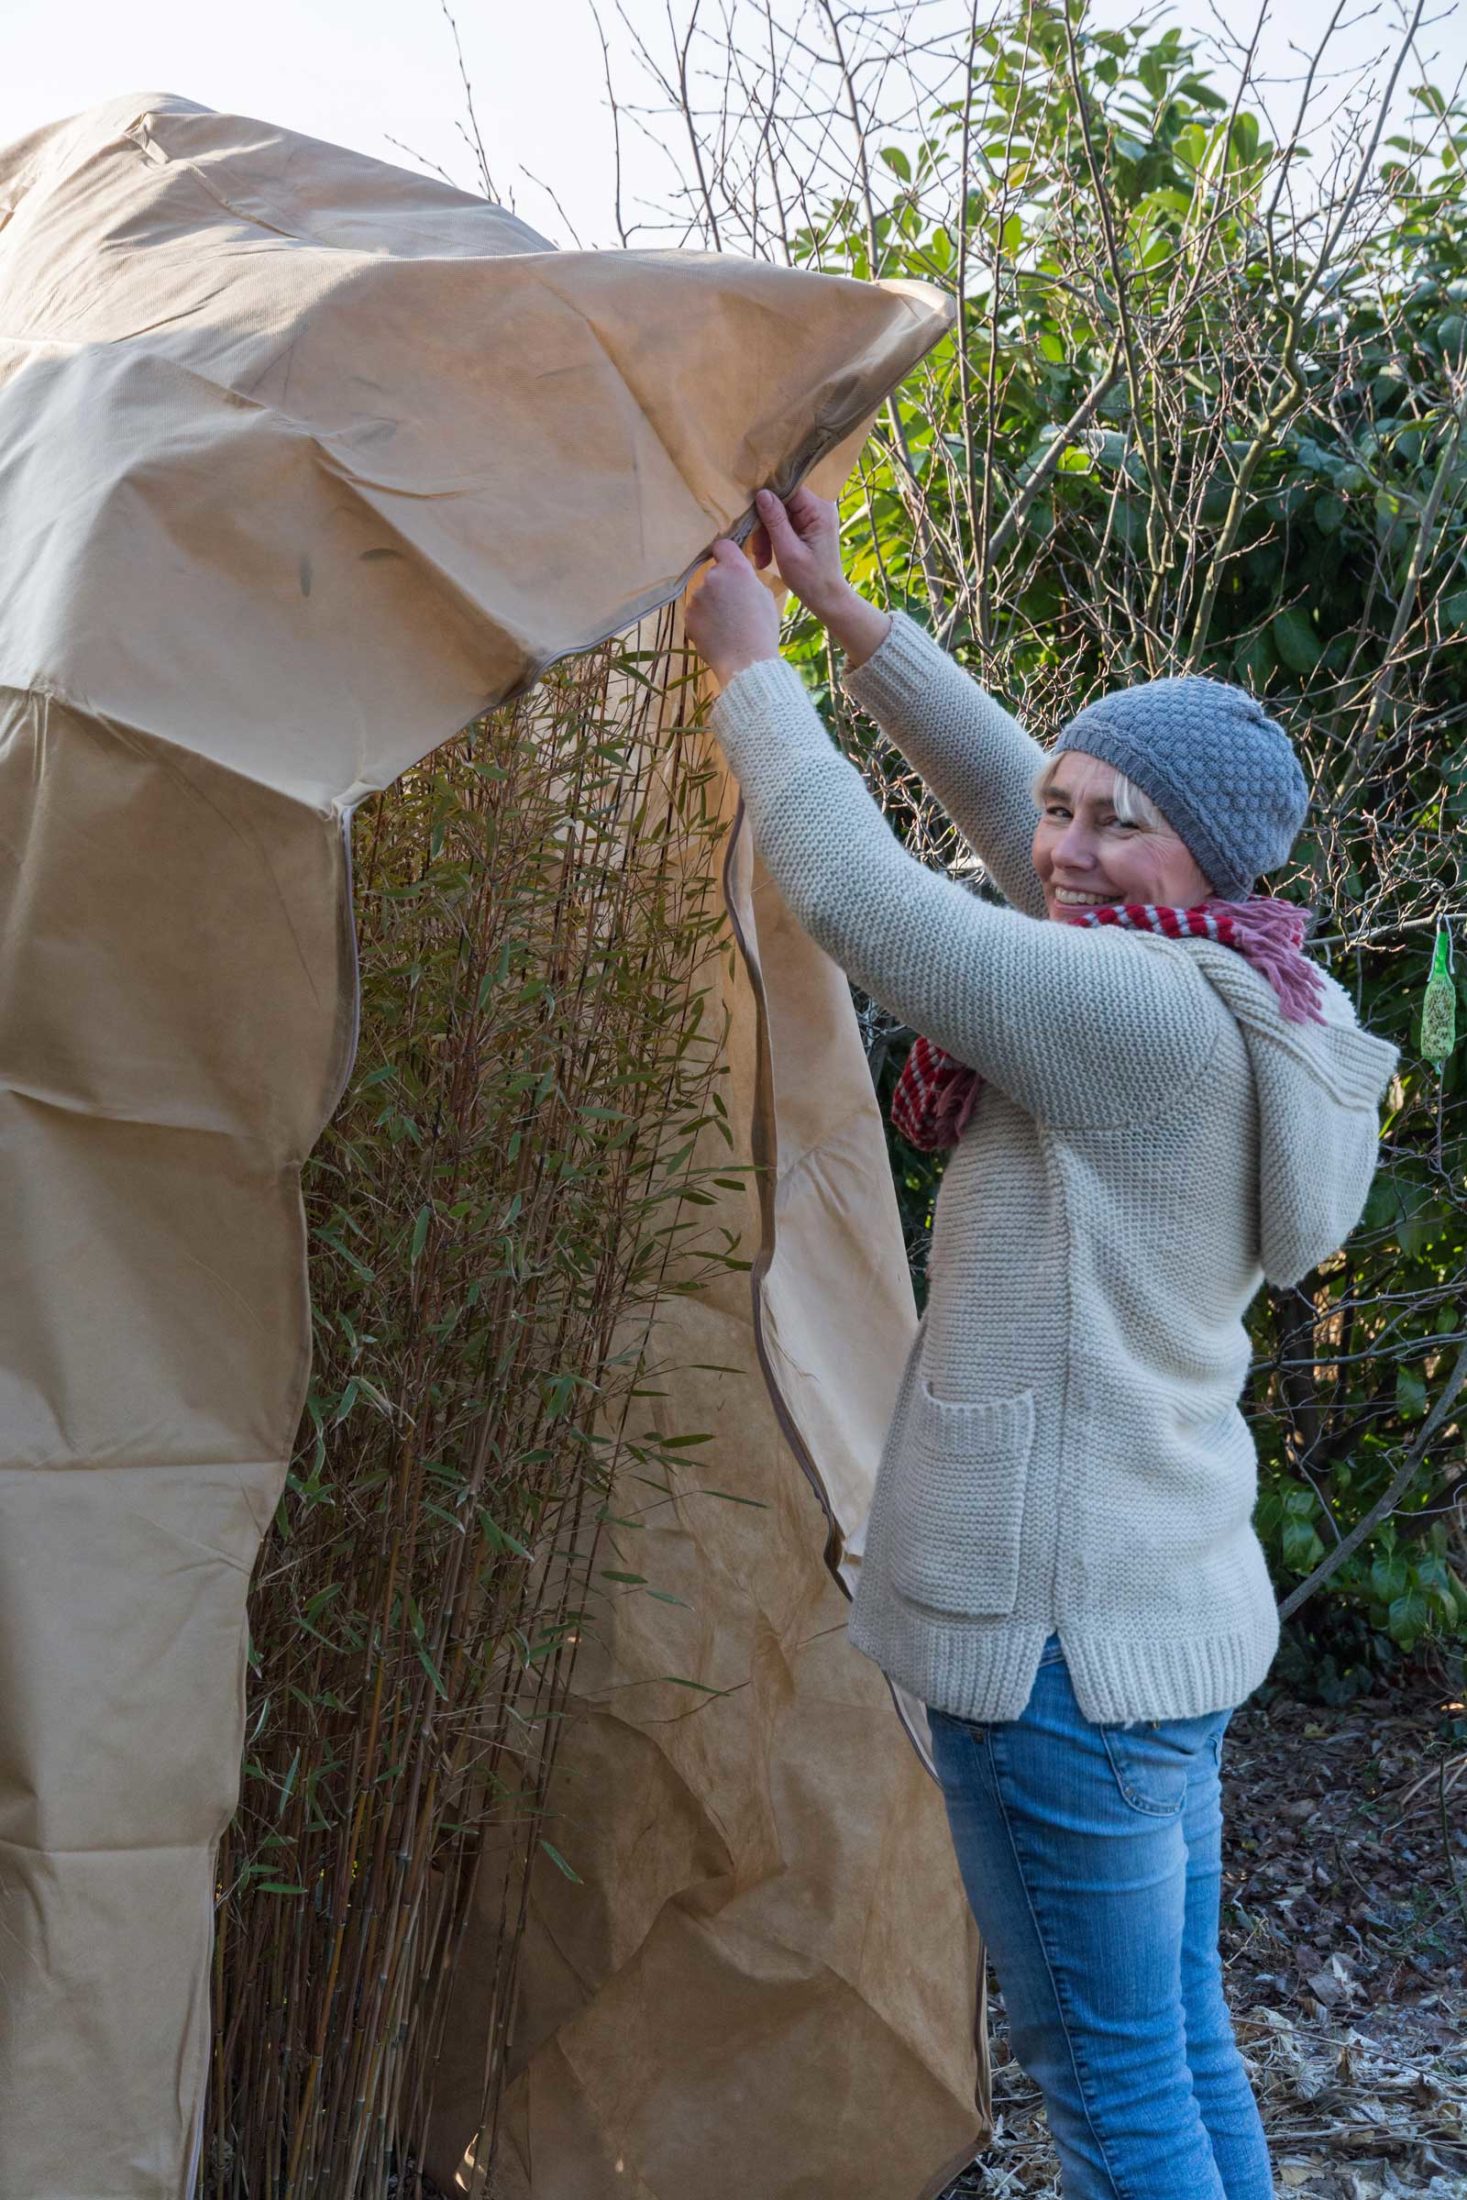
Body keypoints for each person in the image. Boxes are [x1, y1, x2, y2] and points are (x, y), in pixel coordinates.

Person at [684, 485, 1400, 2200]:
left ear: (1200, 863)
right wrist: (854, 625)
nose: (1065, 849)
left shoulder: (1126, 1014)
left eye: (1113, 824)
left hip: (1054, 1644)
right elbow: (1026, 809)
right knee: (1181, 2045)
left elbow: (870, 901)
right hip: (1156, 1616)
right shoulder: (1247, 983)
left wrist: (748, 675)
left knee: (1106, 2090)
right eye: (1064, 810)